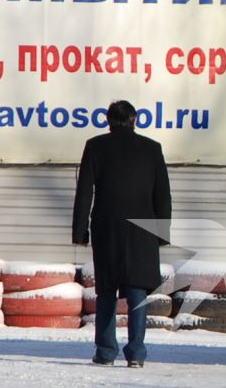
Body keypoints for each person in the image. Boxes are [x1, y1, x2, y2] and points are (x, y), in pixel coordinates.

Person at [73, 99, 172, 368]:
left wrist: (80, 232)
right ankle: (137, 353)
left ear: (108, 121)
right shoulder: (152, 149)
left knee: (107, 290)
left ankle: (106, 352)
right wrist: (162, 233)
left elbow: (85, 192)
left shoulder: (96, 146)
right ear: (134, 119)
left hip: (107, 227)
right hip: (143, 229)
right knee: (138, 291)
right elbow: (162, 195)